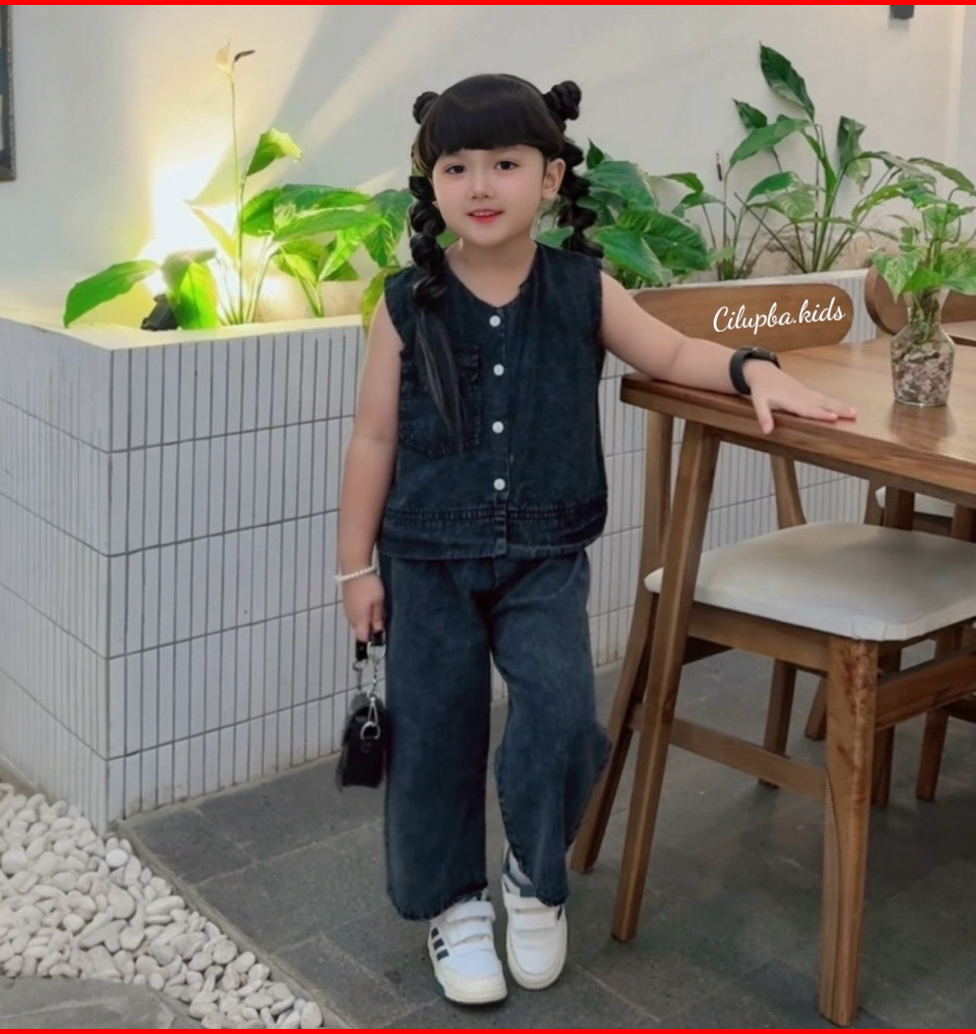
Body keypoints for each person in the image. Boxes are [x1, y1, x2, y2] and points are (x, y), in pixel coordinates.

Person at [337, 72, 855, 1006]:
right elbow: (373, 437)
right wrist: (354, 569)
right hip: (426, 559)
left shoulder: (585, 288)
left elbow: (673, 353)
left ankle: (535, 879)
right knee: (436, 736)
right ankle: (453, 907)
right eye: (457, 166)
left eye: (506, 163)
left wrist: (753, 369)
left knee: (563, 714)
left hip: (545, 557)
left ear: (551, 176)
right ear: (431, 181)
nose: (481, 184)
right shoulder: (405, 302)